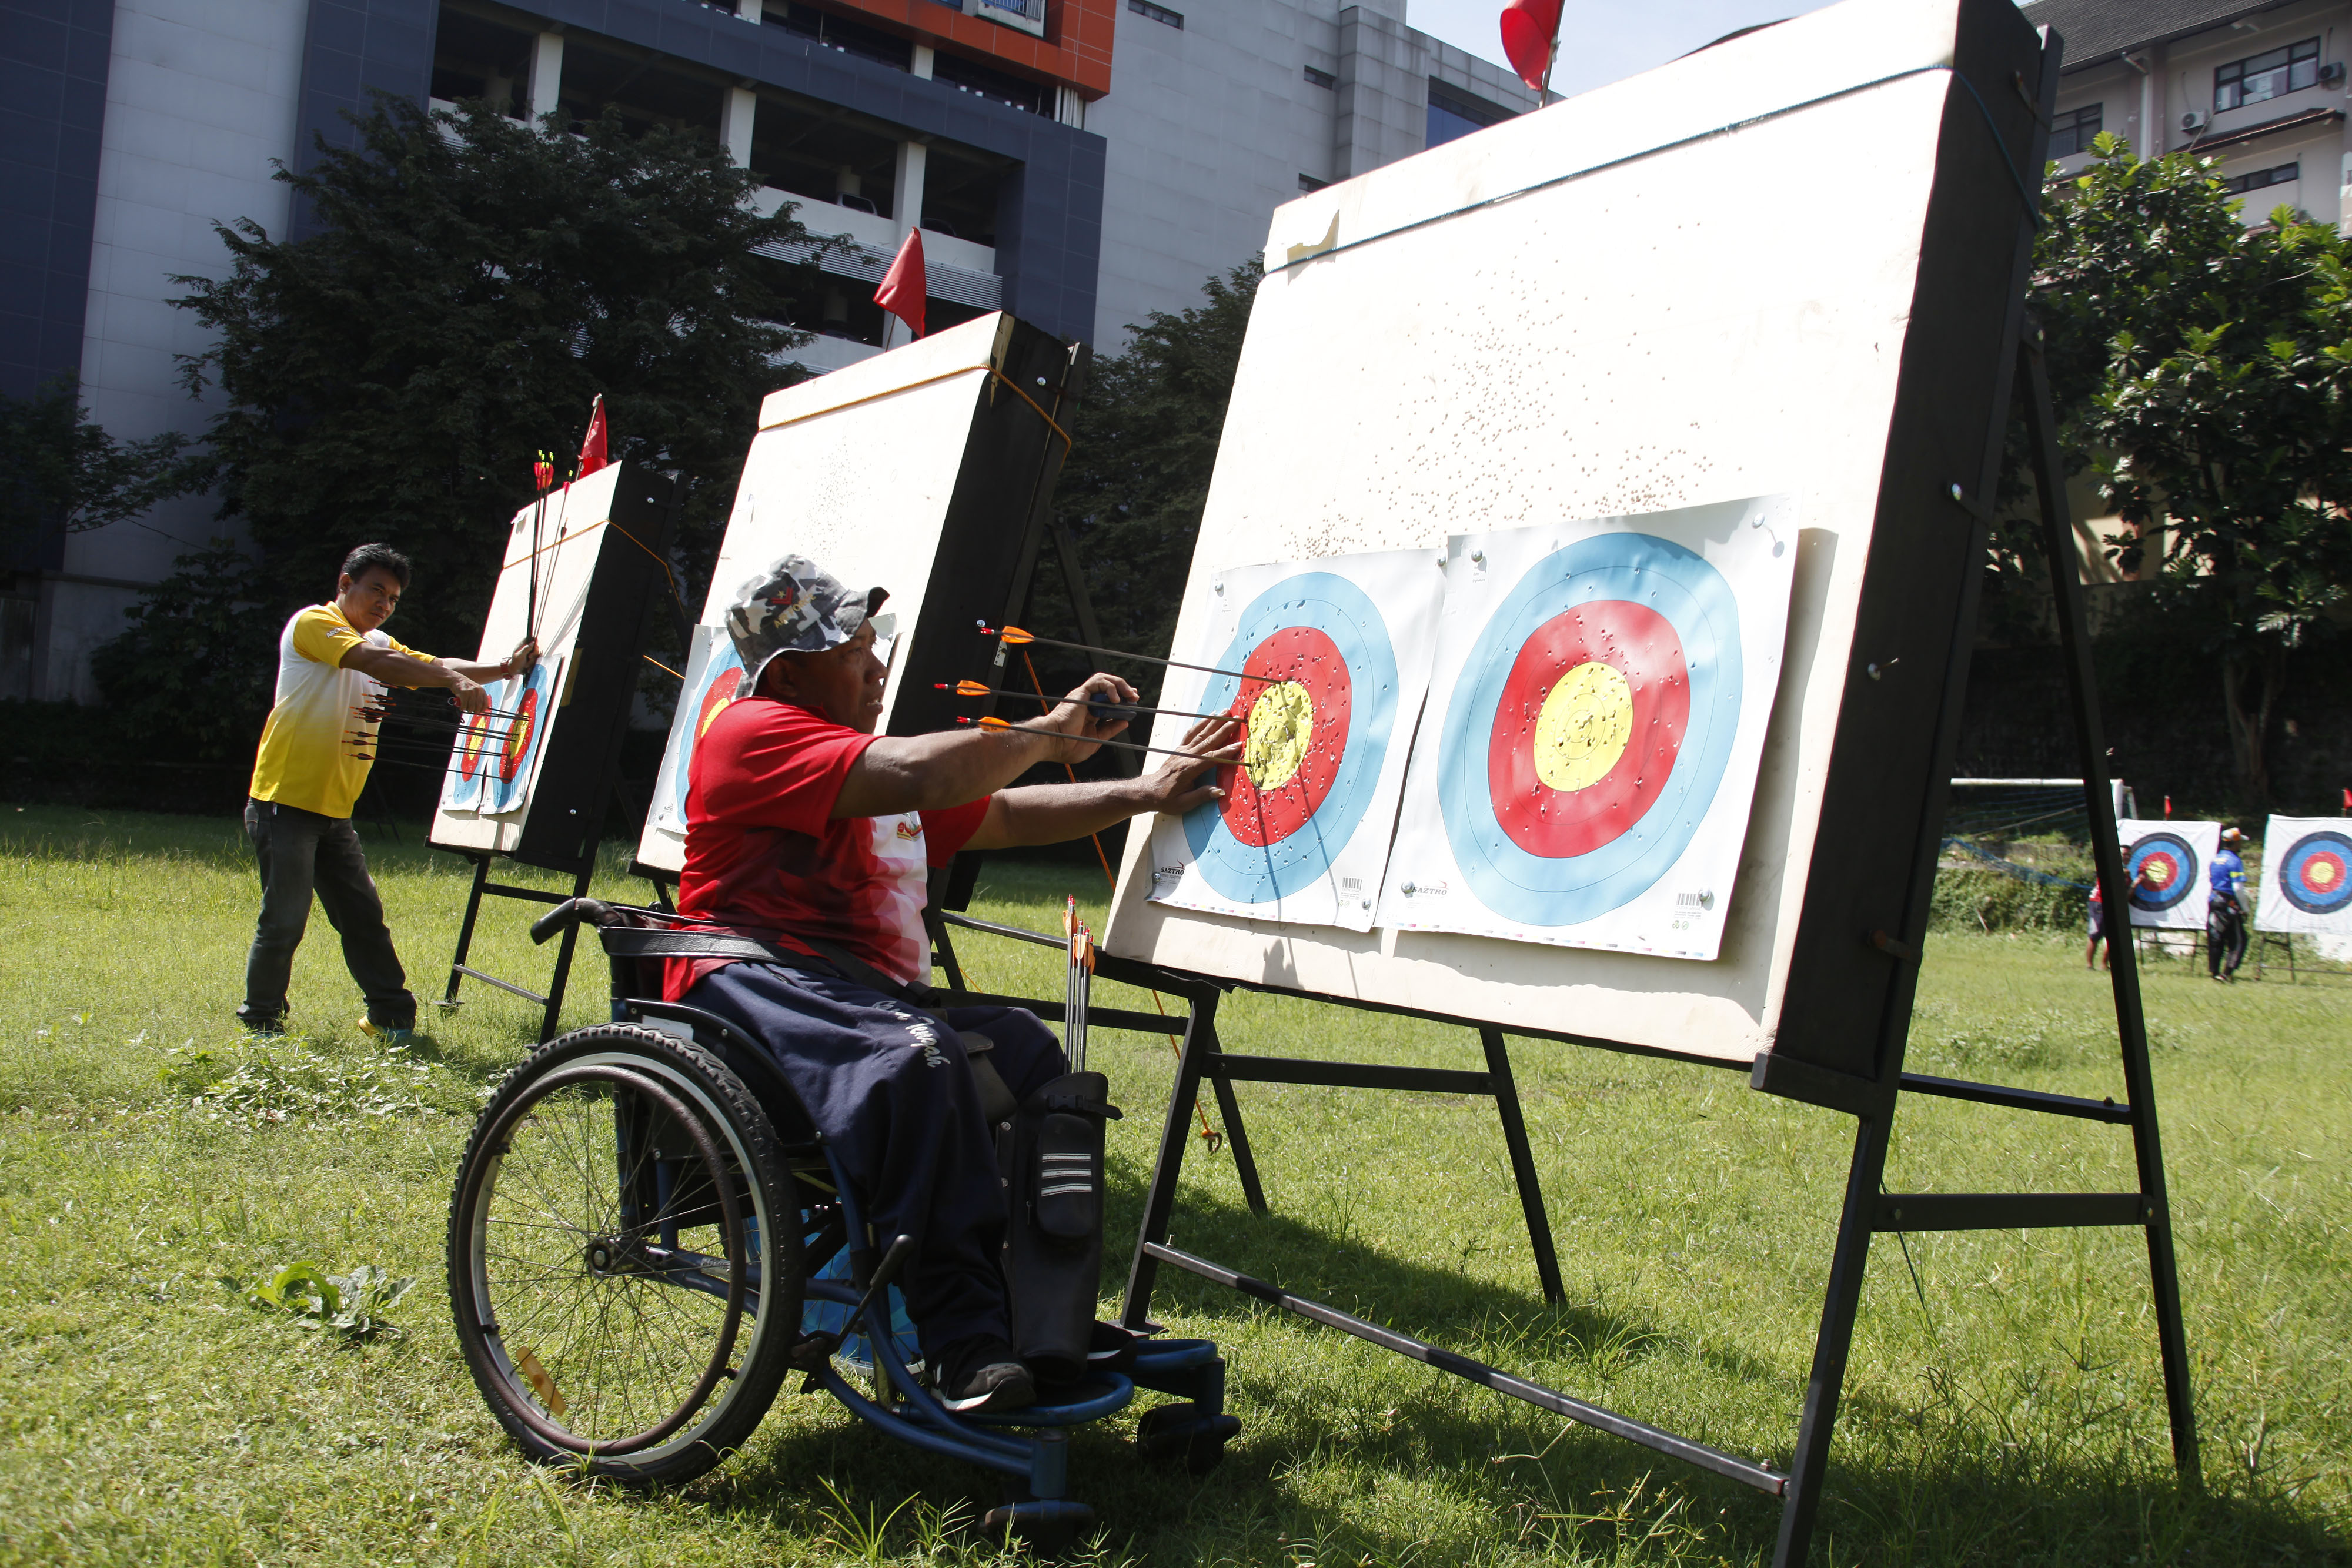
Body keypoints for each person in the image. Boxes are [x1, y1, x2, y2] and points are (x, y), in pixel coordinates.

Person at [664, 554, 1239, 1415]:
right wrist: (1051, 732)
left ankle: (1044, 1320)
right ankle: (964, 1344)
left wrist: (1142, 791)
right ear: (791, 667)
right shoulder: (755, 729)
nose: (877, 663)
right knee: (921, 1058)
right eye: (855, 646)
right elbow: (928, 775)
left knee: (1031, 1056)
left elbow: (997, 814)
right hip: (753, 981)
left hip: (845, 996)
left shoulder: (856, 760)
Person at [240, 543, 536, 1039]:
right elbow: (383, 664)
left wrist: (502, 670)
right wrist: (450, 680)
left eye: (394, 597)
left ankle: (391, 1017)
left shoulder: (378, 639)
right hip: (284, 802)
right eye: (376, 589)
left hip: (334, 811)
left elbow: (434, 660)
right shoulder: (316, 623)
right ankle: (261, 1020)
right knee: (285, 921)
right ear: (344, 584)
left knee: (364, 918)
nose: (384, 603)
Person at [2085, 860, 2160, 970]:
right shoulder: (2111, 867)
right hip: (2099, 904)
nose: (2127, 857)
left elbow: (2125, 898)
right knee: (2095, 935)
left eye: (2128, 855)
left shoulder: (2128, 878)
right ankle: (2089, 965)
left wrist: (2135, 885)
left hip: (2114, 907)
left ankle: (2104, 965)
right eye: (2124, 854)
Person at [2208, 826, 2250, 981]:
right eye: (2240, 842)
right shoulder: (2234, 861)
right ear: (2234, 843)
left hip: (2214, 900)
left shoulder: (2216, 859)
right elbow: (2238, 888)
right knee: (2239, 940)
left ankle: (2214, 973)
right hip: (2229, 903)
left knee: (2216, 937)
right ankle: (2226, 974)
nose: (2241, 846)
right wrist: (2245, 909)